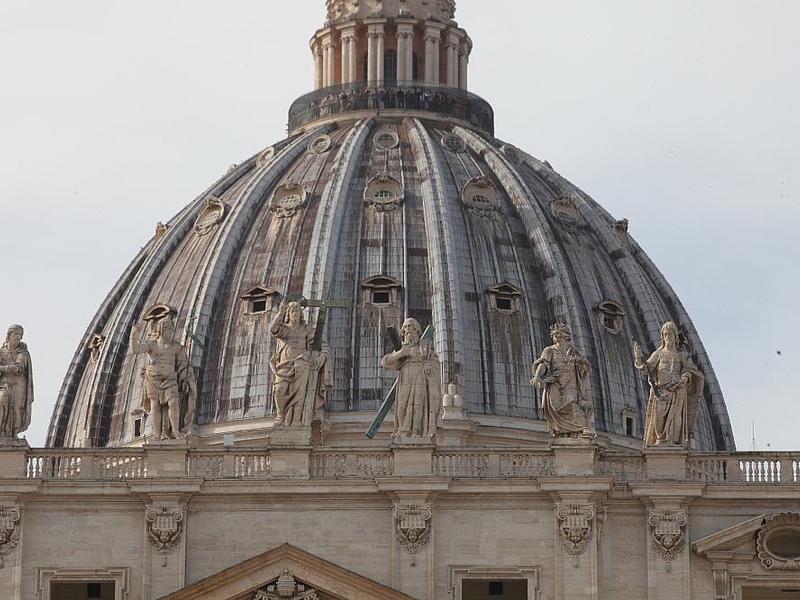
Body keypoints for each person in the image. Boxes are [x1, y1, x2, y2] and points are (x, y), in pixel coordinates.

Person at [634, 322, 704, 448]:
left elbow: (690, 370)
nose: (668, 338)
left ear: (675, 336)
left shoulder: (681, 355)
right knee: (658, 418)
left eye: (670, 334)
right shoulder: (658, 354)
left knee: (676, 417)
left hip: (677, 390)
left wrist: (684, 378)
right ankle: (660, 439)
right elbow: (647, 368)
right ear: (662, 337)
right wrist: (639, 358)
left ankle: (672, 440)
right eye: (665, 335)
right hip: (661, 391)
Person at [130, 317, 196, 440]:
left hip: (170, 379)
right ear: (162, 329)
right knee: (155, 405)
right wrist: (133, 335)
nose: (171, 332)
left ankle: (175, 431)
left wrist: (185, 379)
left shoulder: (177, 347)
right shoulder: (152, 345)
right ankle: (157, 434)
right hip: (153, 379)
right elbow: (135, 350)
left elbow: (183, 365)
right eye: (169, 330)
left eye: (172, 330)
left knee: (174, 403)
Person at [269, 301, 332, 427]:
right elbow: (273, 329)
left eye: (297, 311)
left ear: (301, 314)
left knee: (300, 392)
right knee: (279, 390)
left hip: (302, 364)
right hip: (284, 365)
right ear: (288, 313)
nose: (295, 313)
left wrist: (322, 356)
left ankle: (297, 419)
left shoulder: (307, 330)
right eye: (292, 311)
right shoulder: (284, 329)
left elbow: (322, 344)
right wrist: (279, 313)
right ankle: (281, 414)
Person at [531, 323, 595, 438]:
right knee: (556, 407)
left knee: (572, 404)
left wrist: (581, 363)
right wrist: (537, 376)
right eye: (554, 335)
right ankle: (561, 431)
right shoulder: (549, 350)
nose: (555, 336)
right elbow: (543, 364)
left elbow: (586, 367)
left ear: (565, 335)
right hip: (555, 382)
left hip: (571, 381)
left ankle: (580, 428)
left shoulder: (575, 351)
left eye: (558, 334)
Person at [382, 318, 440, 438]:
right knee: (402, 406)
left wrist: (428, 364)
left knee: (418, 405)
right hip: (405, 379)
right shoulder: (401, 348)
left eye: (411, 327)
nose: (408, 330)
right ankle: (402, 429)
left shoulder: (425, 348)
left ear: (417, 330)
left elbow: (435, 362)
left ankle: (415, 432)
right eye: (406, 328)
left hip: (421, 379)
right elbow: (385, 362)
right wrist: (401, 353)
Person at [0, 325, 34, 439]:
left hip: (19, 386)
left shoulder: (23, 353)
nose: (18, 337)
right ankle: (2, 433)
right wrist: (10, 368)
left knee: (16, 410)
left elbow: (18, 368)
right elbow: (13, 368)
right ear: (9, 335)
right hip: (4, 384)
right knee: (1, 402)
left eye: (20, 335)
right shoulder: (2, 351)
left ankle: (13, 435)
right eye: (15, 334)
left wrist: (3, 368)